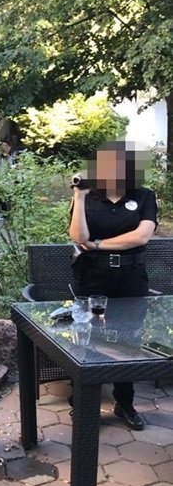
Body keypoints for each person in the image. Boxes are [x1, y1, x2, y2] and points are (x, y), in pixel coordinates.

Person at [69, 140, 157, 430]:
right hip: (92, 275)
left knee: (129, 338)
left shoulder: (143, 196)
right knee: (87, 335)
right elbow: (77, 236)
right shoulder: (89, 196)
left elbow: (141, 236)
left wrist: (97, 244)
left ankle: (125, 402)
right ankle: (84, 402)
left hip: (131, 277)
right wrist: (79, 197)